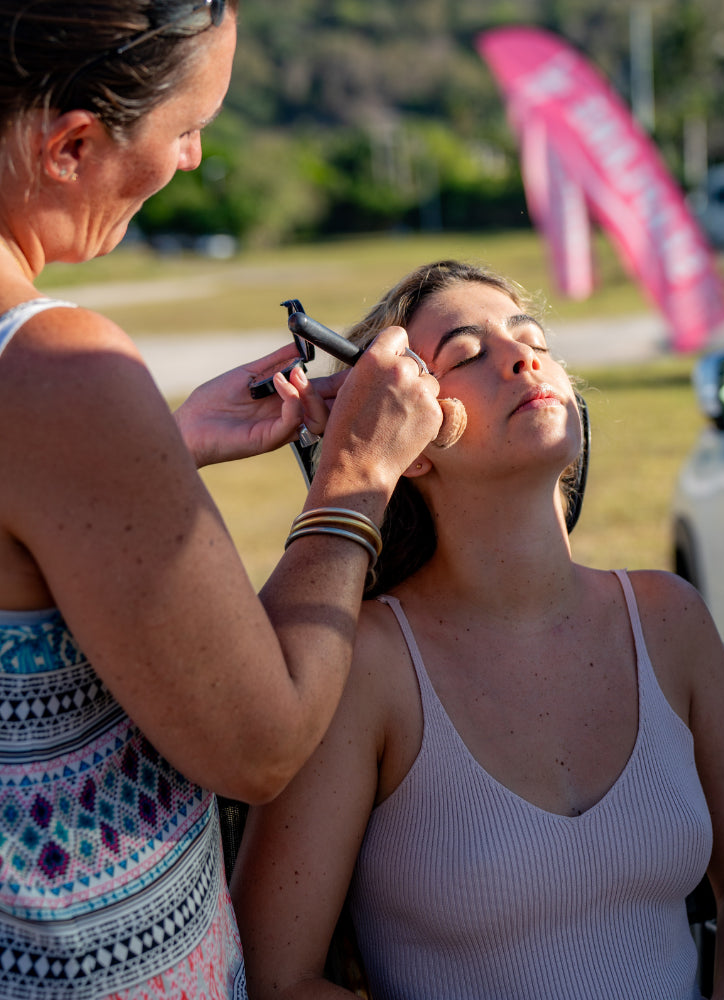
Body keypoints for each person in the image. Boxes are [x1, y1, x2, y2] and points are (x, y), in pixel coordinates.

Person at [0, 2, 444, 997]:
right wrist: (359, 475)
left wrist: (159, 452)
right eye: (187, 127)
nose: (193, 160)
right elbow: (261, 739)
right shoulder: (54, 370)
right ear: (72, 143)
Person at [232, 260, 724, 1000]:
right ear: (407, 437)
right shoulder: (366, 665)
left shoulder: (670, 620)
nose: (524, 357)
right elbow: (279, 978)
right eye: (466, 355)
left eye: (532, 337)